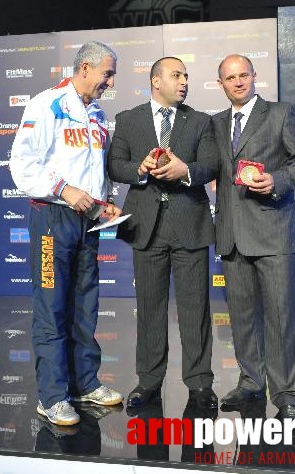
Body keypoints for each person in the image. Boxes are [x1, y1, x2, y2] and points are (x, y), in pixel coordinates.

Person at [9, 41, 123, 427]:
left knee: (84, 306)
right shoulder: (47, 103)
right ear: (86, 68)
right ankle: (52, 396)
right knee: (52, 309)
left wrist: (105, 199)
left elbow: (95, 169)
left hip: (88, 222)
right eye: (107, 73)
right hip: (52, 220)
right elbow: (23, 166)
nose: (110, 81)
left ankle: (85, 383)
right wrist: (64, 190)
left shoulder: (97, 112)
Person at [108, 56, 219, 410]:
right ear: (156, 81)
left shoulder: (200, 121)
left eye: (186, 75)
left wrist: (186, 170)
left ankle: (200, 384)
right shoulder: (127, 119)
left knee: (195, 310)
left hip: (190, 225)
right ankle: (149, 382)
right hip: (146, 227)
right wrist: (138, 170)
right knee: (150, 309)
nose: (184, 81)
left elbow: (211, 164)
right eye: (177, 75)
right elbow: (115, 165)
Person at [213, 54, 295, 426]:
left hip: (274, 232)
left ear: (254, 77)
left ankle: (288, 394)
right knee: (242, 318)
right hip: (232, 236)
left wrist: (277, 181)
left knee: (282, 318)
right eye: (230, 78)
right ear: (221, 84)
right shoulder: (216, 123)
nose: (238, 82)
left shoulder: (281, 113)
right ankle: (251, 382)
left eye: (244, 75)